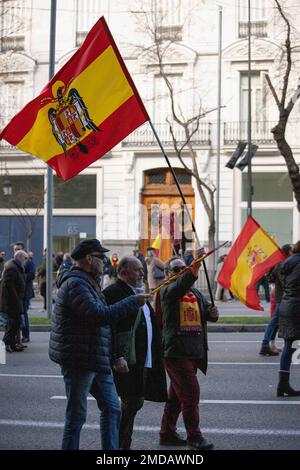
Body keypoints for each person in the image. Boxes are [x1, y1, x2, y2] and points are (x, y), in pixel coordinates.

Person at [48, 239, 149, 450]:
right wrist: (133, 302)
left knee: (113, 408)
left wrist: (114, 356)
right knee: (76, 416)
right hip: (79, 359)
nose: (105, 261)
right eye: (101, 257)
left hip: (96, 357)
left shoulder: (89, 282)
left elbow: (104, 326)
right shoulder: (76, 284)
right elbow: (98, 316)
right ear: (89, 259)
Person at [103, 256, 167, 450]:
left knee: (134, 402)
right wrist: (116, 355)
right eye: (137, 270)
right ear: (123, 273)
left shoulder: (139, 293)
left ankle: (122, 443)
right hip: (126, 360)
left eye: (141, 269)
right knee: (132, 401)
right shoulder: (113, 293)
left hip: (143, 358)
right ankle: (119, 444)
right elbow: (109, 327)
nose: (142, 273)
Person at [159, 253, 218, 450]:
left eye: (182, 267)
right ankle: (194, 437)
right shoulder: (167, 291)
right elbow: (179, 286)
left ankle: (167, 433)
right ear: (167, 274)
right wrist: (192, 270)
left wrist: (212, 313)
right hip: (176, 353)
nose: (180, 271)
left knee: (177, 397)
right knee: (191, 394)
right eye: (176, 269)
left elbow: (206, 311)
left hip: (194, 352)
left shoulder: (196, 293)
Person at [259, 244, 293, 356]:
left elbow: (272, 278)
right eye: (292, 250)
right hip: (282, 297)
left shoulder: (283, 263)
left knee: (277, 322)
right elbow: (285, 282)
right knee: (275, 322)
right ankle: (265, 345)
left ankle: (269, 345)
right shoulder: (282, 264)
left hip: (282, 297)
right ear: (288, 252)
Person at [277, 241, 300, 397]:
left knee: (289, 344)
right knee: (290, 344)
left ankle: (283, 384)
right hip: (297, 306)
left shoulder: (287, 263)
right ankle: (283, 384)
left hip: (287, 305)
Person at [0, 250, 27, 352]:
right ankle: (6, 343)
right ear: (20, 258)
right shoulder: (12, 268)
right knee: (14, 323)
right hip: (11, 302)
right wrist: (16, 298)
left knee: (15, 323)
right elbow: (9, 286)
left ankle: (11, 344)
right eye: (25, 258)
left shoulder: (16, 267)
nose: (25, 261)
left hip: (15, 301)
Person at [22, 250, 36, 343]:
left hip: (25, 293)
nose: (16, 251)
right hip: (17, 293)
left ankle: (25, 335)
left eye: (18, 249)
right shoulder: (14, 263)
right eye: (15, 249)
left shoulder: (29, 263)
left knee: (24, 314)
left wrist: (19, 277)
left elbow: (31, 275)